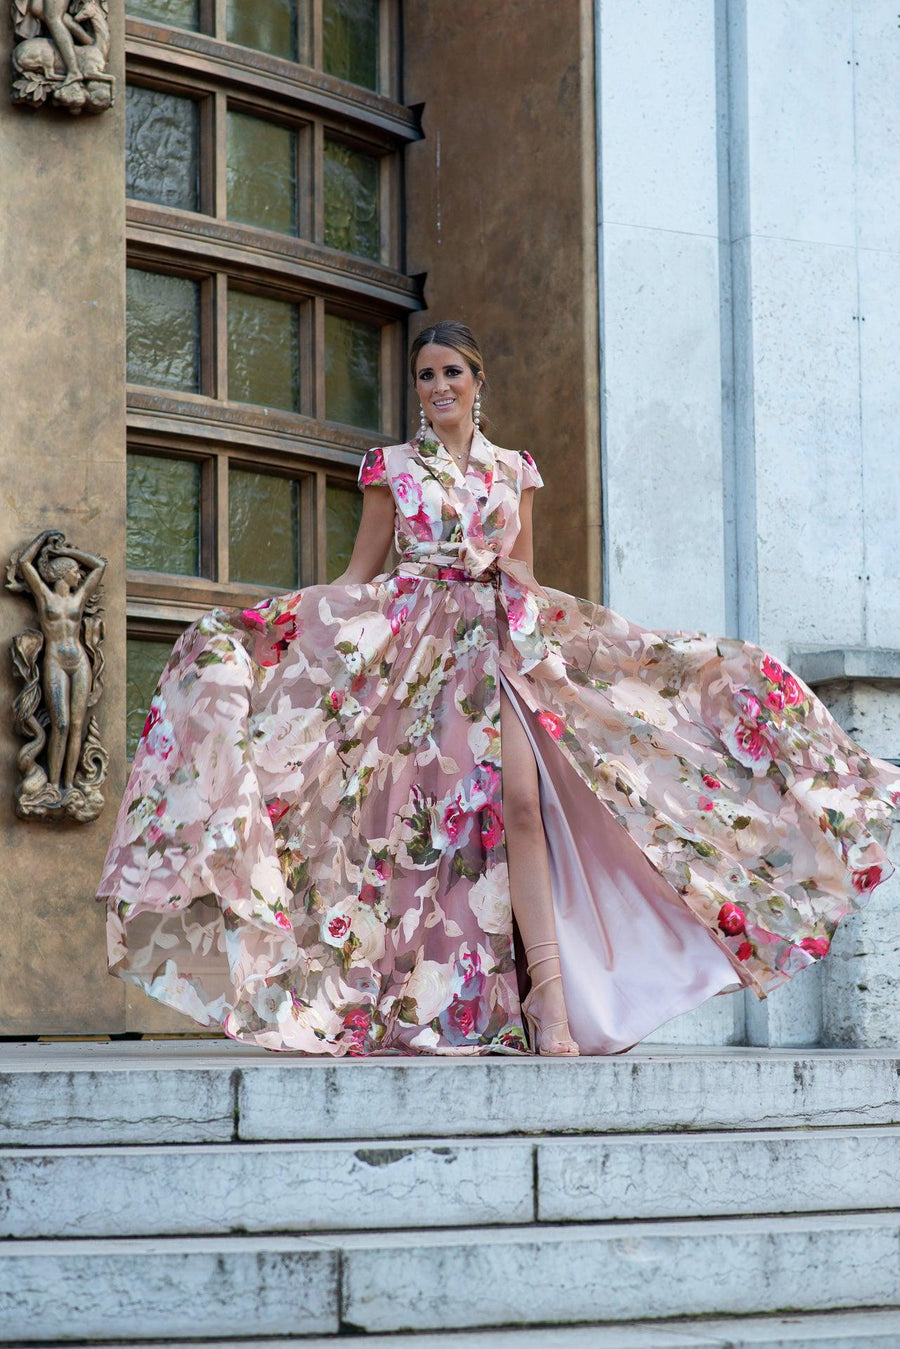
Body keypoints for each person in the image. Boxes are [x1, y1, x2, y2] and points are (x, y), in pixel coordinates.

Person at [97, 319, 900, 1059]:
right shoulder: (392, 470)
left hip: (501, 645)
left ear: (478, 379)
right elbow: (356, 576)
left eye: (450, 371)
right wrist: (277, 628)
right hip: (416, 660)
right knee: (420, 830)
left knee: (522, 804)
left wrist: (518, 579)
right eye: (423, 375)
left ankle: (550, 1002)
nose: (436, 385)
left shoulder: (516, 471)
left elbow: (528, 572)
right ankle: (420, 992)